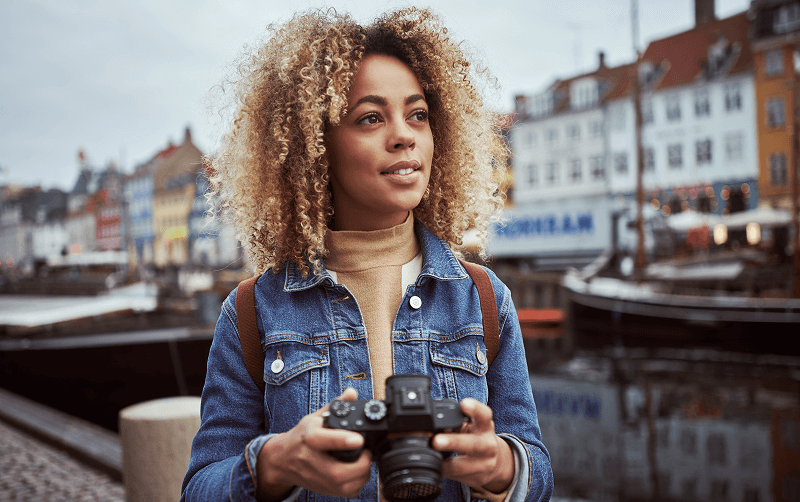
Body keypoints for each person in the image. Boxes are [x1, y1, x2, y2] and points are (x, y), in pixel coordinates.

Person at [181, 7, 553, 502]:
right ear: (314, 146)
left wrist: (504, 468)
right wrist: (273, 463)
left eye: (417, 114)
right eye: (371, 117)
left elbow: (539, 474)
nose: (404, 135)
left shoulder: (484, 299)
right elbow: (199, 489)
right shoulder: (252, 313)